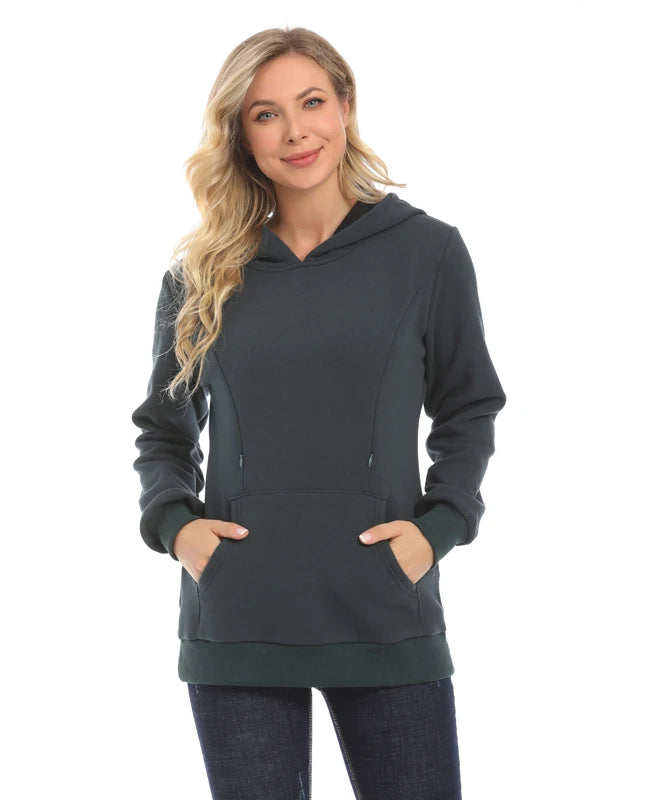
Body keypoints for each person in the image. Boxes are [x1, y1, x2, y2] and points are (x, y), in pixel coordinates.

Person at [130, 26, 507, 800]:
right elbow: (163, 429)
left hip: (383, 608)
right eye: (266, 114)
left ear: (345, 107)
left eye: (310, 103)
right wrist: (177, 527)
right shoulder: (200, 273)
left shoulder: (427, 252)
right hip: (240, 616)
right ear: (241, 135)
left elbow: (469, 407)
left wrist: (439, 527)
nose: (295, 131)